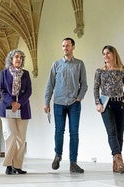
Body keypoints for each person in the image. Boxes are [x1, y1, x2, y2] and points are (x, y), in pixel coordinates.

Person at [44, 37, 88, 173]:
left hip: (74, 104)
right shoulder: (56, 64)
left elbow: (84, 85)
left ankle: (73, 163)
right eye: (63, 46)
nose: (65, 48)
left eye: (68, 46)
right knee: (59, 131)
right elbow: (50, 85)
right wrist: (46, 102)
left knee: (74, 133)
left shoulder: (79, 64)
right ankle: (58, 155)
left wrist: (79, 98)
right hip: (58, 103)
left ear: (73, 47)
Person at [94, 45, 124, 174]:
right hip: (106, 105)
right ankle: (119, 158)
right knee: (112, 132)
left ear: (114, 54)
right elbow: (96, 88)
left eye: (108, 53)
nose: (105, 56)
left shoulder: (122, 69)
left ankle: (116, 163)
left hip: (120, 104)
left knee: (120, 133)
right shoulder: (100, 71)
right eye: (103, 54)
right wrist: (98, 103)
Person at [0, 49, 32, 175]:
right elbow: (2, 90)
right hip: (7, 109)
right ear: (11, 59)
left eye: (20, 57)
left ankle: (17, 166)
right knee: (10, 135)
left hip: (22, 109)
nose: (18, 59)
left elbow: (28, 91)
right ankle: (8, 165)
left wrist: (19, 103)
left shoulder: (26, 74)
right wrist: (12, 103)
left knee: (21, 138)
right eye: (16, 57)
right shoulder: (4, 73)